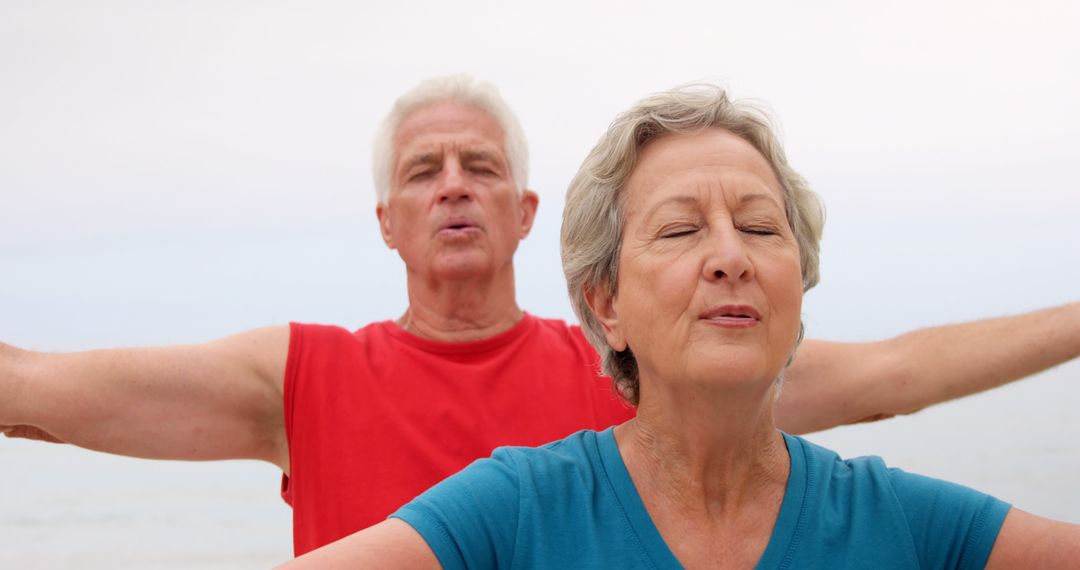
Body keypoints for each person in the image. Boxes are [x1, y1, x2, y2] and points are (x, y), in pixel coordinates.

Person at [2, 75, 1079, 557]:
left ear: (529, 214)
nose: (454, 185)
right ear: (387, 220)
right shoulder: (300, 375)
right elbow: (33, 394)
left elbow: (898, 372)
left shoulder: (665, 361)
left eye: (481, 166)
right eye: (424, 170)